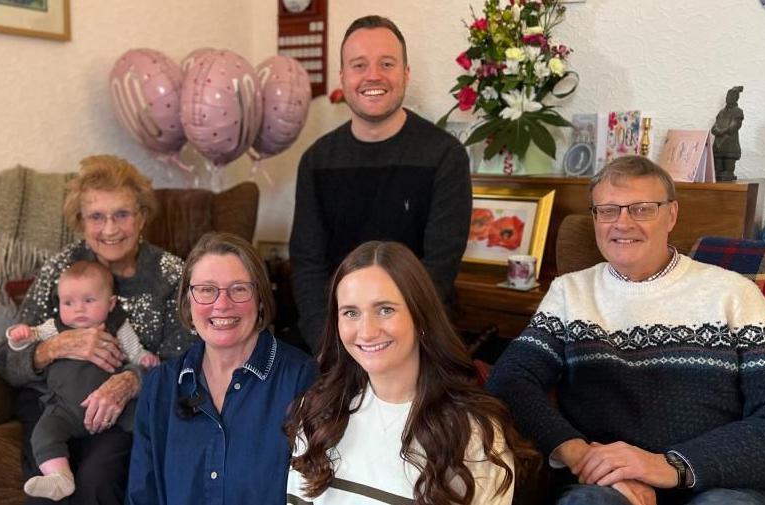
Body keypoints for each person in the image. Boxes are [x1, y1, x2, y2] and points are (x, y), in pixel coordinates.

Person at [487, 155, 765, 505]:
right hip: (608, 483)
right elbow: (509, 381)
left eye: (642, 209)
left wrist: (668, 466)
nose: (622, 223)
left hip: (722, 483)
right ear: (595, 219)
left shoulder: (734, 294)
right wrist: (582, 456)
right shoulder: (571, 293)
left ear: (671, 215)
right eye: (608, 210)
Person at [0, 154, 194, 504]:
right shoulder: (60, 269)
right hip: (55, 406)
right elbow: (6, 358)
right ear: (80, 222)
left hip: (122, 412)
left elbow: (192, 360)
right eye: (96, 217)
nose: (110, 229)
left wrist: (132, 381)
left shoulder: (170, 275)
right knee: (48, 486)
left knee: (97, 479)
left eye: (122, 215)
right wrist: (53, 347)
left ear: (142, 217)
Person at [285, 241, 538, 504]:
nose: (367, 331)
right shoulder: (317, 413)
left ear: (421, 317)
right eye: (350, 312)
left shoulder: (473, 432)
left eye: (385, 310)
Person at [290, 15, 473, 352]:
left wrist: (386, 342)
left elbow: (438, 270)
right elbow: (307, 267)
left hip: (419, 340)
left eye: (386, 63)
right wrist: (329, 344)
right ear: (343, 77)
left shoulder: (445, 156)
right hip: (334, 341)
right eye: (359, 65)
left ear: (405, 73)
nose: (373, 75)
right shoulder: (317, 161)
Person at [127, 232, 316, 504]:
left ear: (260, 298)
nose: (222, 304)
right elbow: (142, 496)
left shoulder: (302, 380)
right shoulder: (161, 386)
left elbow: (313, 493)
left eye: (239, 288)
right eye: (206, 290)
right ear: (187, 302)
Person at [5, 261, 159, 500]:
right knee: (43, 434)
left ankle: (159, 456)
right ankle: (59, 478)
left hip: (112, 410)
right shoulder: (54, 328)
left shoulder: (117, 327)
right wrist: (20, 336)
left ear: (111, 304)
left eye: (88, 301)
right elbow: (26, 342)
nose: (78, 309)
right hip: (64, 410)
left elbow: (135, 352)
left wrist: (145, 359)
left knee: (141, 419)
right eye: (69, 303)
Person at [711, 85, 744, 182]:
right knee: (717, 169)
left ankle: (728, 173)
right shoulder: (721, 112)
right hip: (718, 143)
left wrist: (722, 131)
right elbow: (715, 126)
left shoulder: (738, 111)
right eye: (727, 96)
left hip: (730, 143)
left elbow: (734, 126)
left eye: (731, 97)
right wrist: (717, 130)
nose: (728, 98)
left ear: (736, 98)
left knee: (727, 169)